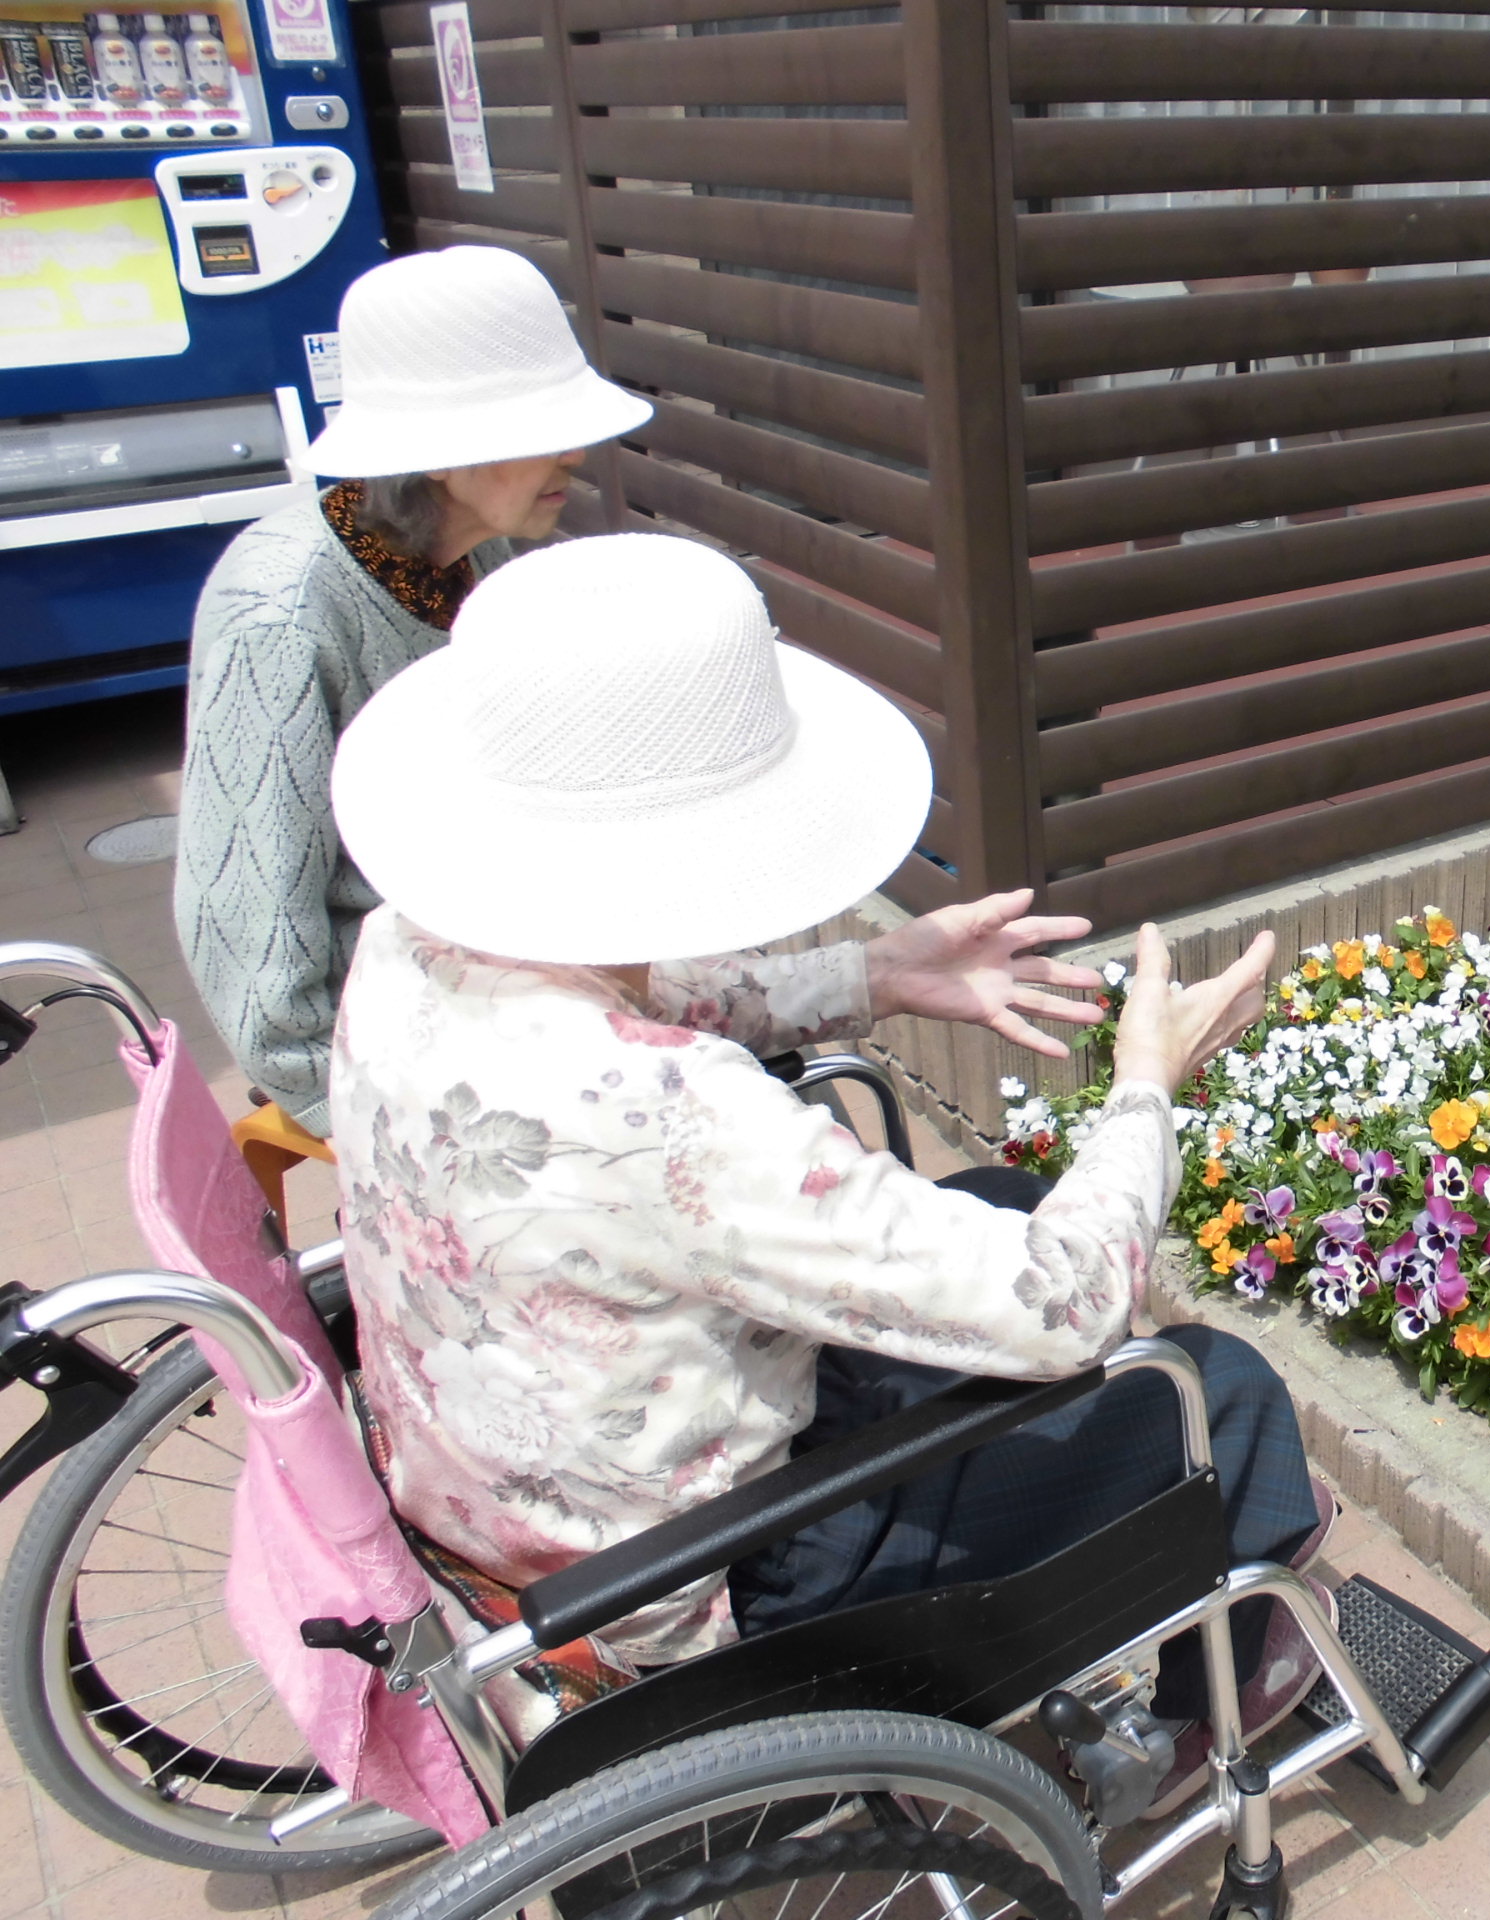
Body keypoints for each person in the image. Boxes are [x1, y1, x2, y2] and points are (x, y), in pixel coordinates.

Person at [324, 531, 1328, 1803]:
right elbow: (1069, 1302)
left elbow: (635, 991)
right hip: (700, 1586)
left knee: (1001, 1201)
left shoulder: (408, 947)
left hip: (513, 1490)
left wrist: (877, 974)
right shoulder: (677, 1114)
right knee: (1214, 1388)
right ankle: (1209, 1712)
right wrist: (1146, 1086)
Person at [174, 244, 652, 1138]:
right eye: (542, 431)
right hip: (401, 1043)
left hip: (506, 962)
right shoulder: (282, 612)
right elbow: (246, 919)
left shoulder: (482, 550)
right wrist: (364, 1117)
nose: (577, 452)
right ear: (438, 453)